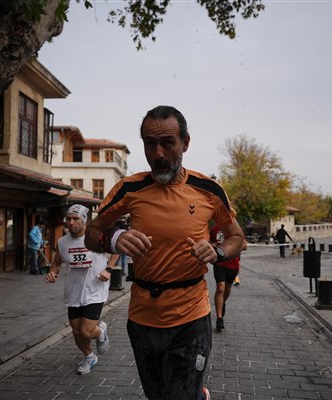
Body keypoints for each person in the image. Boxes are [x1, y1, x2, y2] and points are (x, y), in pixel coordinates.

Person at [84, 105, 245, 400]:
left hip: (191, 316)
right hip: (142, 317)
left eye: (168, 143)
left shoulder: (208, 190)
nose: (158, 153)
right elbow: (91, 233)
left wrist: (217, 251)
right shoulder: (129, 189)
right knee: (157, 395)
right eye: (150, 143)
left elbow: (237, 237)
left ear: (185, 142)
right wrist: (115, 238)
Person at [45, 204, 118, 374]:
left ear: (84, 220)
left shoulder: (97, 237)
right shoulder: (63, 242)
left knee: (86, 331)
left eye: (76, 218)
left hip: (95, 290)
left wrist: (108, 269)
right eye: (69, 219)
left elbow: (117, 250)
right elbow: (57, 262)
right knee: (77, 330)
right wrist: (52, 273)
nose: (71, 222)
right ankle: (89, 356)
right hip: (73, 292)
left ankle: (100, 332)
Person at [210, 224, 247, 332]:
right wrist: (213, 246)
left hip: (233, 265)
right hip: (219, 264)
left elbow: (244, 246)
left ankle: (222, 303)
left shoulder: (235, 228)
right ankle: (219, 318)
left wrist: (230, 247)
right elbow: (209, 243)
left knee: (227, 288)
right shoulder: (214, 229)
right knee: (220, 287)